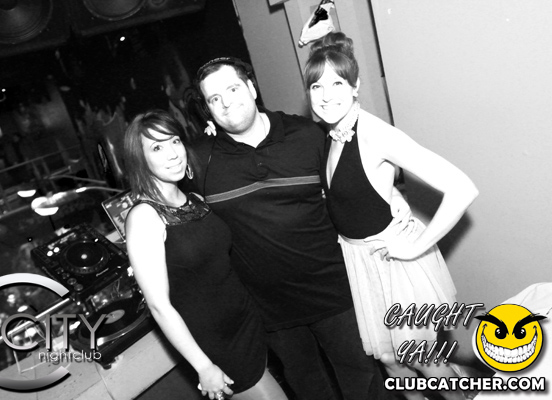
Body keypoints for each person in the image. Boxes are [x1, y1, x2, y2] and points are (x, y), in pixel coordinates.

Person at [193, 57, 414, 400]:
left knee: (363, 381)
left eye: (233, 89)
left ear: (251, 88)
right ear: (207, 109)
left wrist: (392, 192)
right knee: (308, 386)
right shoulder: (198, 158)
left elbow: (352, 173)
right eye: (214, 98)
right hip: (270, 308)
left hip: (335, 291)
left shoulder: (307, 134)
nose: (225, 103)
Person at [304, 32, 479, 400]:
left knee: (421, 359)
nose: (325, 95)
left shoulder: (375, 133)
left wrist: (416, 247)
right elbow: (359, 185)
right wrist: (392, 193)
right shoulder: (331, 133)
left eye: (337, 83)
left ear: (355, 87)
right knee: (391, 362)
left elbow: (462, 188)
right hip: (362, 263)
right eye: (316, 86)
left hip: (394, 263)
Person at [123, 110, 287, 400]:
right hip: (216, 343)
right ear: (140, 160)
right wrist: (203, 366)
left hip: (246, 323)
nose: (172, 154)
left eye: (175, 141)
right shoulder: (144, 217)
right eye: (157, 148)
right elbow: (159, 306)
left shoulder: (195, 200)